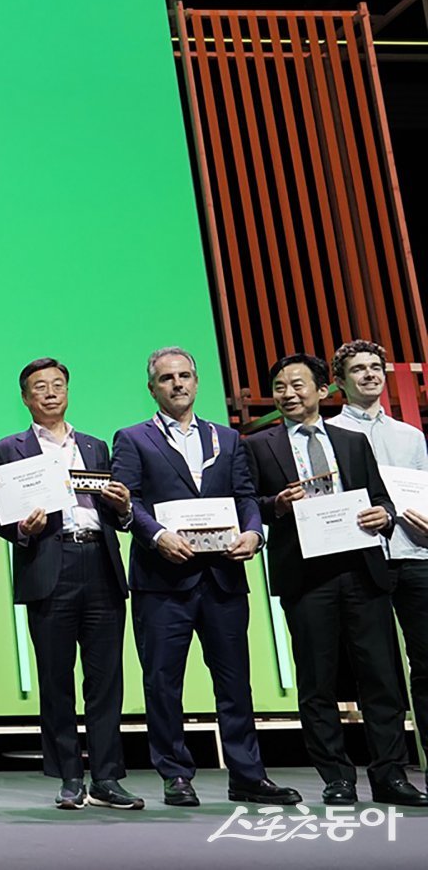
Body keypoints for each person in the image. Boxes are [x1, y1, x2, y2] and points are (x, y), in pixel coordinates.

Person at [110, 346, 300, 808]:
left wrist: (254, 533)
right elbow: (128, 501)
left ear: (196, 382)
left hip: (223, 578)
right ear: (152, 388)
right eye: (167, 378)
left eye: (185, 376)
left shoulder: (227, 438)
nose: (177, 384)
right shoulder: (132, 438)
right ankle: (175, 775)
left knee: (235, 682)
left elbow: (245, 496)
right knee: (163, 683)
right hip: (161, 581)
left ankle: (248, 775)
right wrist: (157, 536)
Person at [244, 352, 426, 806]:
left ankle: (390, 775)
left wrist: (383, 515)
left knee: (381, 678)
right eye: (280, 387)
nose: (288, 394)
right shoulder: (259, 445)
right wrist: (276, 505)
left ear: (322, 390)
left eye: (298, 385)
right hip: (305, 576)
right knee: (317, 682)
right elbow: (249, 503)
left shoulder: (351, 441)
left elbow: (382, 499)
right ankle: (337, 777)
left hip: (362, 570)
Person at [0, 358, 141, 811]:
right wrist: (23, 530)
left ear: (68, 391)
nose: (51, 392)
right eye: (40, 387)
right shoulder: (7, 449)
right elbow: (0, 518)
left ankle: (107, 777)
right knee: (56, 680)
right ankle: (70, 777)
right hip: (49, 563)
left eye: (58, 384)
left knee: (106, 679)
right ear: (25, 397)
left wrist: (125, 508)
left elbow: (116, 514)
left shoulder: (94, 445)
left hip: (100, 562)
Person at [325, 339, 428, 772]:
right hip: (363, 560)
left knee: (426, 662)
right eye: (358, 369)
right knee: (379, 671)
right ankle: (391, 768)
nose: (369, 374)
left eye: (375, 367)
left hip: (415, 554)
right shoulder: (329, 434)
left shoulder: (411, 436)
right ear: (339, 381)